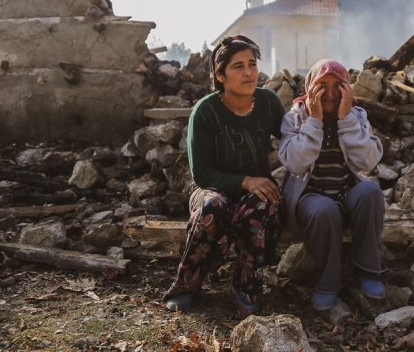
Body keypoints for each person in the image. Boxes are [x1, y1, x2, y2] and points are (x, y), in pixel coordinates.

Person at [162, 35, 285, 317]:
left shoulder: (268, 102)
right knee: (212, 208)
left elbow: (293, 140)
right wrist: (245, 180)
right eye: (238, 66)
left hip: (255, 191)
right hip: (211, 187)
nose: (248, 73)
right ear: (220, 75)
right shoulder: (205, 111)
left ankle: (246, 283)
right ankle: (187, 284)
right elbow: (202, 173)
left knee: (267, 201)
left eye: (252, 64)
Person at [278, 59, 386, 311]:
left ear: (347, 89)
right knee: (324, 209)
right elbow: (295, 162)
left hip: (345, 193)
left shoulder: (357, 115)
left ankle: (369, 271)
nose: (329, 93)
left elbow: (367, 161)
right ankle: (329, 281)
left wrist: (346, 119)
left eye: (337, 85)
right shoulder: (295, 117)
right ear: (309, 87)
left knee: (370, 191)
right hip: (310, 198)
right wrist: (314, 121)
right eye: (321, 85)